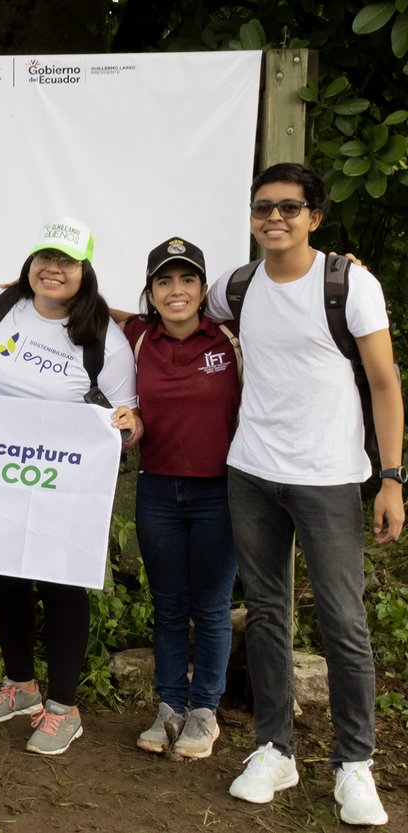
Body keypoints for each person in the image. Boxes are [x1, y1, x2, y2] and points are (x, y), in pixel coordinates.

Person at [206, 163, 401, 826]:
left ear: (314, 216)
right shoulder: (236, 285)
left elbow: (383, 383)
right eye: (264, 207)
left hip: (329, 477)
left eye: (290, 207)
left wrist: (393, 478)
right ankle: (274, 749)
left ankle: (355, 764)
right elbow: (168, 311)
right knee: (265, 613)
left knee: (343, 621)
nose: (275, 218)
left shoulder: (350, 284)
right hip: (252, 471)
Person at [0, 217, 137, 755]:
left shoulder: (104, 336)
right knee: (8, 579)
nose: (53, 269)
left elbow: (131, 419)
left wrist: (125, 430)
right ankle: (20, 687)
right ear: (30, 264)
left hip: (64, 484)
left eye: (66, 261)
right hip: (1, 473)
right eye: (45, 258)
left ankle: (64, 707)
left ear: (85, 272)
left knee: (62, 583)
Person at [114, 238, 241, 759]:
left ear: (203, 288)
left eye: (187, 280)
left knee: (210, 608)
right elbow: (87, 305)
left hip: (221, 491)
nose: (176, 290)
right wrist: (22, 292)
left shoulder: (232, 337)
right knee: (167, 607)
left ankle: (205, 712)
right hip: (158, 490)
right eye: (164, 281)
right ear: (150, 292)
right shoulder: (138, 336)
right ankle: (169, 706)